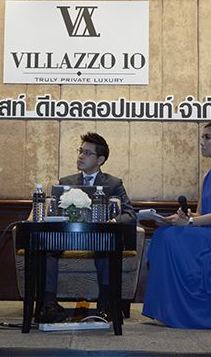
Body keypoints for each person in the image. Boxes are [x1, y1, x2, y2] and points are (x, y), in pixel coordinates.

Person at [142, 120, 211, 329]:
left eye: (207, 137)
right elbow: (202, 213)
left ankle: (190, 312)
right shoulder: (208, 174)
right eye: (202, 137)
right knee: (163, 233)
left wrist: (190, 222)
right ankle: (167, 310)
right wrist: (180, 218)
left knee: (172, 236)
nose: (201, 142)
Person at [37, 132, 136, 323]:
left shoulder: (113, 184)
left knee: (106, 249)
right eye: (80, 151)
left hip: (97, 238)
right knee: (47, 249)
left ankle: (105, 306)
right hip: (68, 238)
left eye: (87, 153)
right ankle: (49, 305)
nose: (81, 156)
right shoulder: (65, 182)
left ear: (100, 160)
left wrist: (111, 223)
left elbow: (130, 215)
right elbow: (53, 213)